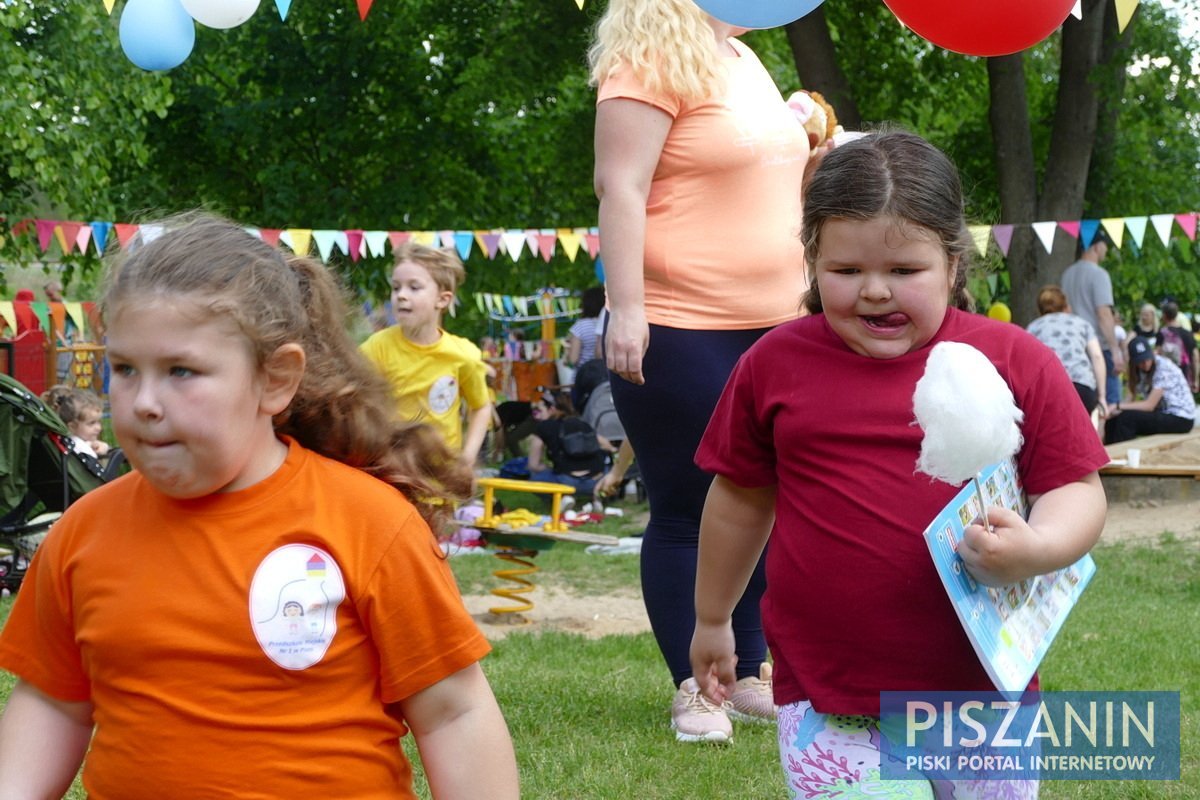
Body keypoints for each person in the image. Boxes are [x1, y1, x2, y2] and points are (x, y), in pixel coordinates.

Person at [0, 213, 519, 800]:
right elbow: (54, 704)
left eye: (181, 371)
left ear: (275, 380)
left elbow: (454, 713)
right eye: (125, 369)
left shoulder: (366, 523)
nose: (144, 401)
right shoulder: (84, 532)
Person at [689, 132, 1109, 798]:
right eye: (846, 271)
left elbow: (1073, 486)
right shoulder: (773, 365)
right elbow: (739, 499)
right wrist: (713, 618)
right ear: (812, 262)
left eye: (904, 272)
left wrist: (1040, 546)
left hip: (980, 696)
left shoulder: (1013, 359)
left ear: (952, 263)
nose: (875, 292)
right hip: (828, 694)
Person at [590, 0, 812, 742]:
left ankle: (748, 671)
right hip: (679, 323)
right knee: (692, 506)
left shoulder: (745, 59)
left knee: (764, 500)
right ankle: (694, 686)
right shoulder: (645, 61)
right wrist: (627, 308)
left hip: (777, 321)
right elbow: (619, 186)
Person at [360, 242, 493, 467]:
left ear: (442, 299)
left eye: (414, 287)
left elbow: (481, 406)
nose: (401, 295)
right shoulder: (377, 347)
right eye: (396, 287)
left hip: (441, 474)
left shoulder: (462, 355)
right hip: (391, 470)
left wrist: (468, 457)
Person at [1062, 236, 1123, 411]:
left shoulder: (1067, 274)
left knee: (1082, 407)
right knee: (1109, 406)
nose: (1106, 250)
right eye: (1105, 246)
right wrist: (1115, 350)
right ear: (1096, 246)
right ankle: (1111, 439)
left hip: (1075, 348)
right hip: (1099, 348)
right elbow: (1103, 314)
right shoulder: (1099, 274)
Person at [1026, 285, 1107, 416]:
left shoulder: (1033, 327)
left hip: (1049, 389)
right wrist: (1102, 396)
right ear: (1065, 306)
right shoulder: (1081, 323)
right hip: (1082, 386)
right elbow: (1097, 356)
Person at [1105, 336, 1196, 443]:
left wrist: (1117, 405)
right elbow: (1130, 398)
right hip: (1164, 413)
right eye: (1140, 361)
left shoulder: (1163, 367)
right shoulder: (1137, 371)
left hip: (1181, 418)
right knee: (1114, 419)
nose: (1145, 364)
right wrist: (1115, 411)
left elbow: (1149, 405)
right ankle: (1109, 453)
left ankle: (1125, 453)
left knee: (1128, 419)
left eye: (1147, 358)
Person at [525, 387, 607, 497]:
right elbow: (606, 444)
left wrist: (552, 469)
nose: (537, 415)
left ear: (552, 409)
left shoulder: (544, 427)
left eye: (540, 410)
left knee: (535, 478)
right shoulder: (582, 423)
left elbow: (533, 465)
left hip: (566, 481)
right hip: (596, 481)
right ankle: (596, 498)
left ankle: (560, 499)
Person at [43, 385, 111, 459]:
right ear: (72, 426)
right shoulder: (83, 450)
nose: (99, 428)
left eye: (99, 422)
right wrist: (105, 450)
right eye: (91, 423)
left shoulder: (66, 444)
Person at [1156, 300, 1197, 392]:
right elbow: (1195, 357)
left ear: (1164, 315)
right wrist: (1195, 380)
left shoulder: (1162, 333)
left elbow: (1157, 354)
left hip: (1167, 377)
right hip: (1185, 376)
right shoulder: (1188, 334)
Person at [565, 286, 606, 367]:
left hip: (584, 373)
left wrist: (567, 357)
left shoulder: (580, 326)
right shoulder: (607, 322)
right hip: (603, 372)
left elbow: (573, 359)